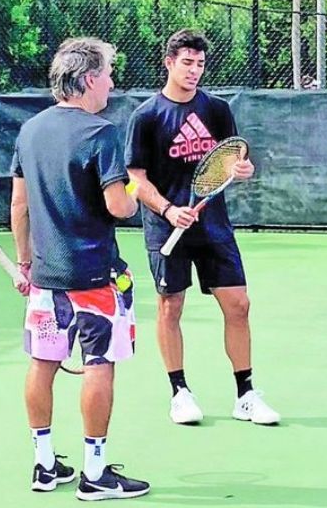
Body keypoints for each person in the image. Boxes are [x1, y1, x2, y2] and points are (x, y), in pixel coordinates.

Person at [10, 37, 150, 500]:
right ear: (89, 79)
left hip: (46, 281)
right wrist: (136, 192)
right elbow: (118, 206)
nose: (112, 82)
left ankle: (44, 465)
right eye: (108, 73)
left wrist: (26, 262)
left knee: (42, 364)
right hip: (94, 280)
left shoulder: (29, 132)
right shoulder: (101, 132)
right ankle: (95, 475)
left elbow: (19, 205)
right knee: (99, 365)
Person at [124, 29, 280, 425]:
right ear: (169, 63)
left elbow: (232, 160)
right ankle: (180, 392)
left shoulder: (217, 109)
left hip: (213, 227)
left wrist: (243, 170)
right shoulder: (145, 117)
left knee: (239, 305)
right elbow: (135, 180)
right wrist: (167, 210)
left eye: (200, 64)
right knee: (170, 306)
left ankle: (245, 394)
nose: (194, 71)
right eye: (187, 63)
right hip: (167, 228)